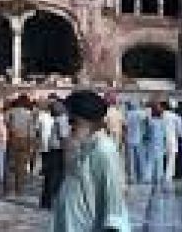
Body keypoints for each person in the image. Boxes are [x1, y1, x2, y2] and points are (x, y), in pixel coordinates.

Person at [50, 90, 130, 232]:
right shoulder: (86, 145)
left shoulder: (103, 150)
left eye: (73, 120)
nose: (70, 126)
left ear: (90, 120)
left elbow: (113, 201)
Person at [5, 94, 34, 196]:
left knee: (9, 164)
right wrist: (31, 142)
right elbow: (31, 130)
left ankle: (8, 189)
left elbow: (7, 124)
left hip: (13, 138)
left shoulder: (11, 112)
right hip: (25, 139)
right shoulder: (29, 114)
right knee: (21, 166)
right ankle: (19, 189)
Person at [41, 101, 68, 209]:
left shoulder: (59, 120)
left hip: (55, 151)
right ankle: (49, 201)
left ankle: (48, 201)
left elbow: (62, 137)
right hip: (56, 151)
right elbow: (63, 137)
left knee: (51, 176)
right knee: (53, 176)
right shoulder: (60, 120)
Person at [124, 100, 146, 184]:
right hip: (138, 139)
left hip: (129, 139)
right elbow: (145, 122)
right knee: (140, 159)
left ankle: (131, 177)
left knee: (131, 160)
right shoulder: (140, 113)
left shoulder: (128, 114)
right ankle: (141, 177)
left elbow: (125, 126)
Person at [145, 103, 167, 185]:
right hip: (160, 144)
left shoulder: (151, 122)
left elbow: (147, 133)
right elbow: (164, 135)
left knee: (150, 161)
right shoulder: (162, 122)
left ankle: (148, 177)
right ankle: (159, 177)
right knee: (159, 162)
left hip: (152, 143)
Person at [162, 100, 182, 182]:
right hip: (172, 139)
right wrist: (180, 137)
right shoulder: (176, 117)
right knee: (171, 158)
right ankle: (168, 176)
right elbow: (180, 131)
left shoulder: (162, 115)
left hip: (161, 138)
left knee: (162, 157)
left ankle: (162, 174)